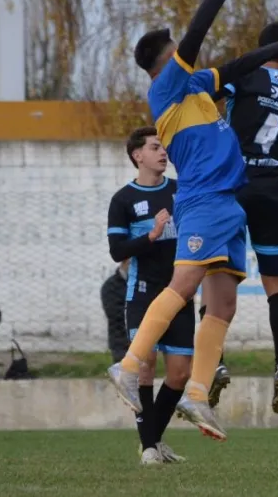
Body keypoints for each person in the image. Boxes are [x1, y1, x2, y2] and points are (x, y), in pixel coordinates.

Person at [106, 0, 278, 442]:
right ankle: (129, 363)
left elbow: (241, 62)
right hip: (203, 199)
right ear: (162, 60)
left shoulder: (200, 86)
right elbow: (199, 31)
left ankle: (198, 394)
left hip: (230, 202)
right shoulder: (167, 88)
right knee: (184, 286)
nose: (182, 48)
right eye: (173, 46)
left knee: (223, 305)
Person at [203, 20, 278, 414]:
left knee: (215, 280)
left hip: (234, 187)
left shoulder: (245, 77)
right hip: (272, 191)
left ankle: (214, 363)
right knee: (277, 286)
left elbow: (208, 96)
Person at [107, 127, 190, 465]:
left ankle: (152, 439)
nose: (163, 152)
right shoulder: (123, 199)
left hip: (180, 292)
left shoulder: (180, 191)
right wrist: (152, 235)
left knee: (180, 373)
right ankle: (151, 448)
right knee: (145, 367)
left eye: (164, 147)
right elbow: (116, 251)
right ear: (137, 155)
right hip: (142, 293)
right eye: (155, 147)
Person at [100, 259, 131, 364]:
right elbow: (114, 314)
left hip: (142, 339)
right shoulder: (110, 286)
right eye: (131, 263)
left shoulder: (140, 283)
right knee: (124, 375)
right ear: (124, 261)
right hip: (121, 340)